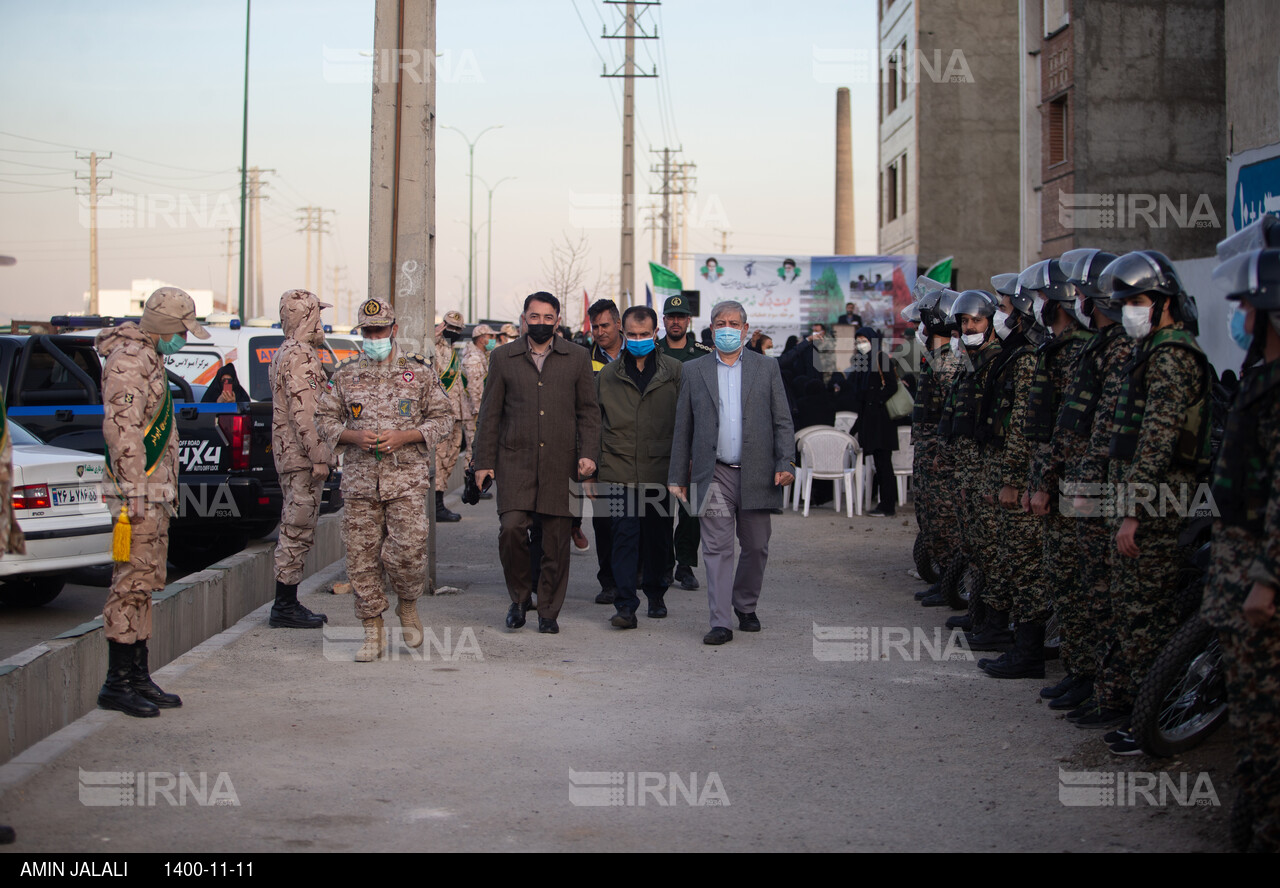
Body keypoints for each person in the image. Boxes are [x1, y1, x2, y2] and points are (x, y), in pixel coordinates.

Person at [1078, 251, 1211, 741]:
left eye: (1137, 300)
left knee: (1145, 614)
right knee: (1130, 609)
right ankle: (1134, 708)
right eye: (1124, 301)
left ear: (1164, 302)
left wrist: (1132, 514)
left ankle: (1154, 718)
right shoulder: (1149, 352)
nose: (1129, 309)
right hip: (1136, 501)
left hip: (1156, 506)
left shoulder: (1173, 356)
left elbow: (1156, 444)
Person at [316, 296, 453, 661]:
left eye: (379, 330)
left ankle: (407, 602)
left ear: (394, 330)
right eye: (367, 331)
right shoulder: (345, 375)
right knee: (361, 558)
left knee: (409, 550)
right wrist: (352, 436)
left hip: (405, 479)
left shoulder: (419, 372)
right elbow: (324, 420)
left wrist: (405, 436)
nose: (373, 336)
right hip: (361, 482)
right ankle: (372, 630)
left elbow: (444, 418)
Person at [96, 287, 210, 717]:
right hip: (137, 494)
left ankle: (138, 676)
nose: (183, 339)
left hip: (153, 491)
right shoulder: (129, 360)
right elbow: (122, 432)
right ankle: (117, 682)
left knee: (145, 583)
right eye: (181, 330)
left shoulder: (150, 356)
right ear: (164, 327)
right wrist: (135, 492)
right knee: (130, 583)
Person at [1202, 243, 1280, 851]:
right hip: (1239, 574)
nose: (1242, 319)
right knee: (1253, 725)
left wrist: (1267, 579)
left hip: (1261, 587)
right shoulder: (1261, 380)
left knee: (1268, 727)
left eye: (1249, 307)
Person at [668, 300, 795, 645]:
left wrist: (786, 463)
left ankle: (745, 604)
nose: (727, 329)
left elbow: (783, 420)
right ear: (711, 329)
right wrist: (677, 475)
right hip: (715, 473)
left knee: (756, 545)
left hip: (757, 472)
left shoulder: (766, 368)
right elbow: (684, 426)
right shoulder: (694, 371)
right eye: (720, 323)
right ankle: (720, 621)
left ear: (745, 328)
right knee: (717, 547)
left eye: (734, 323)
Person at [474, 292, 600, 634]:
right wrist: (482, 462)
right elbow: (490, 413)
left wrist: (589, 453)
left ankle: (548, 612)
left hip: (562, 465)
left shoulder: (577, 357)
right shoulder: (503, 357)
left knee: (556, 542)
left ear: (557, 320)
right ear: (524, 318)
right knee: (511, 529)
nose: (541, 323)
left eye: (548, 317)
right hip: (515, 462)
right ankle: (519, 599)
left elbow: (588, 410)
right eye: (535, 316)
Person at [597, 305, 683, 629]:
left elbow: (686, 420)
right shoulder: (607, 376)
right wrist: (590, 470)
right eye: (631, 335)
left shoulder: (675, 372)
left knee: (659, 537)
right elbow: (595, 423)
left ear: (656, 333)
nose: (637, 340)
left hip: (660, 470)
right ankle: (625, 605)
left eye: (644, 334)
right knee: (623, 536)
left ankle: (656, 593)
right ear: (623, 333)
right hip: (618, 469)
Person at [268, 288, 335, 629]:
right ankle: (284, 605)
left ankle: (287, 602)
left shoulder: (288, 352)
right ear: (306, 316)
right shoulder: (300, 355)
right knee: (297, 528)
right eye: (317, 315)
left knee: (297, 526)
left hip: (292, 455)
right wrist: (320, 456)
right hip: (302, 458)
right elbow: (305, 412)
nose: (321, 322)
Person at [658, 293, 713, 591]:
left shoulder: (704, 353)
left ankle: (686, 564)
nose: (676, 321)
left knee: (692, 508)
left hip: (693, 439)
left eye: (681, 317)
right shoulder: (652, 351)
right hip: (661, 436)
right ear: (664, 320)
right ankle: (663, 562)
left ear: (688, 320)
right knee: (658, 506)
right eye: (670, 317)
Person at [586, 299, 624, 603]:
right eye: (595, 327)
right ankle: (608, 581)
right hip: (602, 454)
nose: (599, 332)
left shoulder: (646, 354)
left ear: (619, 324)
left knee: (642, 518)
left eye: (605, 325)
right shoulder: (584, 361)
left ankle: (638, 576)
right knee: (605, 522)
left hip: (638, 452)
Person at [847, 327, 900, 517]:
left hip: (881, 420)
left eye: (864, 339)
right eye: (858, 340)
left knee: (884, 463)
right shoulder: (862, 362)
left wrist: (876, 400)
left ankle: (887, 505)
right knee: (879, 463)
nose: (860, 344)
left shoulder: (880, 357)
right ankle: (885, 503)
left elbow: (891, 386)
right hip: (870, 419)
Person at [432, 310, 469, 523]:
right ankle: (436, 506)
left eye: (457, 329)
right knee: (438, 459)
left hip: (456, 415)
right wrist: (437, 333)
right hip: (441, 414)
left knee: (450, 459)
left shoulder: (453, 351)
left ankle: (440, 501)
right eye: (450, 328)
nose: (453, 333)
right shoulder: (434, 347)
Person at [461, 323, 494, 468]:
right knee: (472, 449)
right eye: (491, 336)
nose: (494, 340)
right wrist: (479, 412)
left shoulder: (482, 356)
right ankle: (470, 487)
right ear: (481, 339)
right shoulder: (474, 358)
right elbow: (474, 388)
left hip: (479, 411)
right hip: (474, 412)